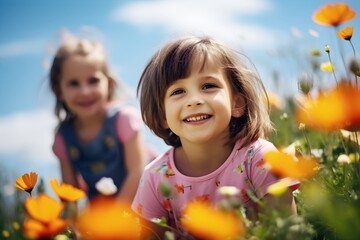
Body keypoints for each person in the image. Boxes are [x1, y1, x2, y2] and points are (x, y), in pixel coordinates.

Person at [132, 36, 299, 237]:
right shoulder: (155, 177)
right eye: (178, 91)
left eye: (208, 86)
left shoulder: (260, 158)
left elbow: (288, 232)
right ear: (162, 116)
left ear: (237, 103)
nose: (194, 100)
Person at [50, 36, 147, 203]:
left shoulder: (123, 120)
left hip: (146, 201)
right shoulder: (63, 138)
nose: (85, 91)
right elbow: (69, 191)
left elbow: (137, 173)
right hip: (102, 214)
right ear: (60, 91)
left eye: (93, 81)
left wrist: (116, 219)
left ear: (108, 84)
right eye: (74, 83)